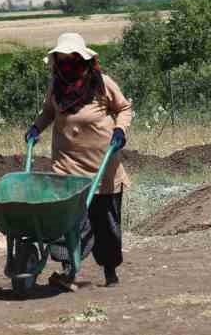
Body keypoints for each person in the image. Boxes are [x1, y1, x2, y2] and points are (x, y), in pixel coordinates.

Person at [25, 33, 133, 289]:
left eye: (72, 61)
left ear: (84, 61)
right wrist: (35, 128)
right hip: (67, 167)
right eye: (62, 61)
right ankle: (68, 270)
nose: (67, 67)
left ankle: (109, 271)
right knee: (68, 221)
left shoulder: (102, 84)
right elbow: (48, 112)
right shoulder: (56, 87)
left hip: (102, 167)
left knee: (105, 222)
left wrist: (120, 131)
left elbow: (124, 109)